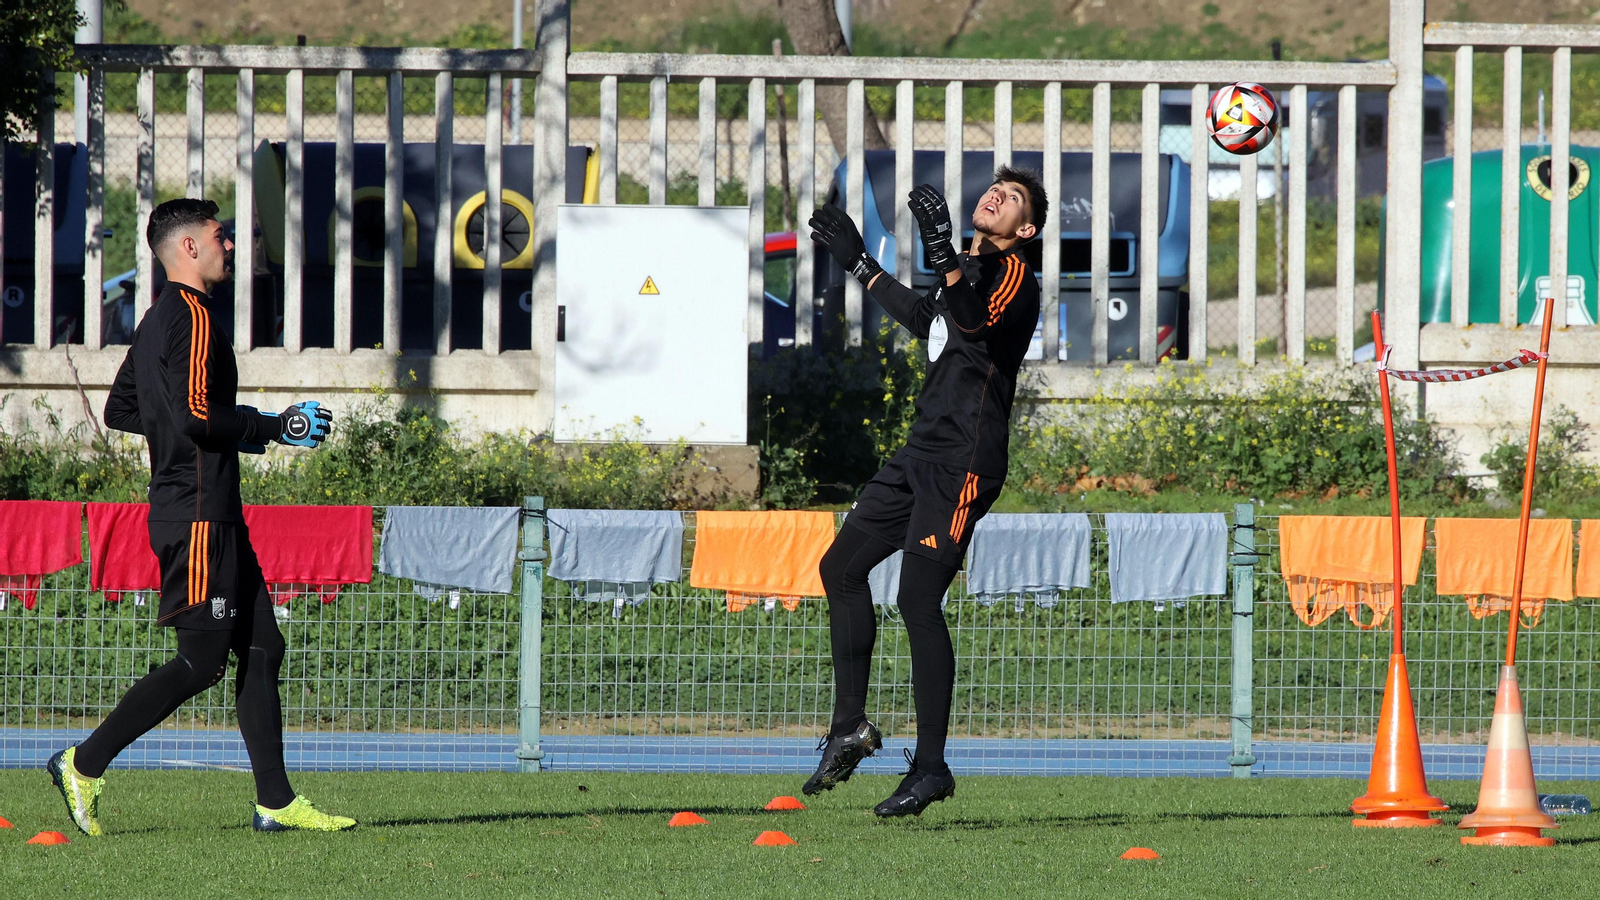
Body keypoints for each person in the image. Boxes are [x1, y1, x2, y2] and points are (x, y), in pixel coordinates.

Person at [48, 198, 353, 835]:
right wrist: (274, 426)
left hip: (211, 511)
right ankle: (83, 763)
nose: (230, 245)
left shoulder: (157, 315)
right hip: (196, 518)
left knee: (263, 646)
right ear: (189, 246)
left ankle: (276, 802)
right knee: (201, 661)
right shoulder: (191, 315)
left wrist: (187, 434)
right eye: (221, 235)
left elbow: (122, 409)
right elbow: (193, 415)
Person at [803, 168, 1047, 817]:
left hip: (963, 460)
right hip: (919, 453)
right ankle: (850, 726)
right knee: (841, 568)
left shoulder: (1015, 275)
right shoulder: (964, 268)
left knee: (917, 598)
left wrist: (942, 252)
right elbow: (926, 319)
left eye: (1012, 198)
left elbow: (972, 323)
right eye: (994, 188)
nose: (995, 195)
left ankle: (932, 769)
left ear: (1025, 229)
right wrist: (858, 261)